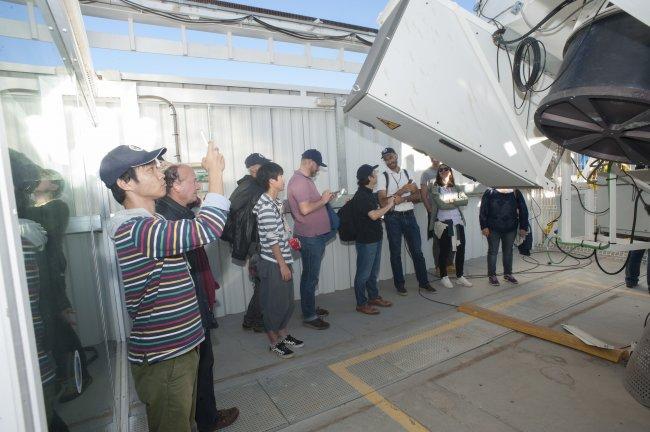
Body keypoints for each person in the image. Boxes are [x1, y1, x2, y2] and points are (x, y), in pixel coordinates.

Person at [100, 142, 229, 432]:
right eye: (149, 168)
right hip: (166, 357)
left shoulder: (153, 222)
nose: (160, 173)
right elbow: (207, 228)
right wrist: (215, 173)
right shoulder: (137, 230)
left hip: (180, 348)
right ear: (124, 182)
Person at [156, 164, 239, 431]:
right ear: (176, 186)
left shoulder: (182, 211)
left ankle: (205, 416)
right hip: (186, 307)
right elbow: (212, 231)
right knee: (197, 366)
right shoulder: (168, 218)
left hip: (194, 300)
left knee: (202, 363)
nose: (198, 185)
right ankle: (206, 420)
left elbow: (224, 231)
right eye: (193, 180)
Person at [10, 149, 69, 431]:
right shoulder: (22, 225)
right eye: (26, 187)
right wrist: (11, 227)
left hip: (40, 325)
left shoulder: (52, 211)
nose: (29, 192)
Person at [27, 168, 93, 403]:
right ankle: (63, 376)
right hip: (39, 271)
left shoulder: (58, 207)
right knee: (53, 326)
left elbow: (40, 222)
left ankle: (80, 376)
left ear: (54, 185)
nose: (35, 178)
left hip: (51, 271)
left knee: (62, 323)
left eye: (41, 175)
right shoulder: (35, 208)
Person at [254, 162, 304, 358]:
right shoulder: (266, 206)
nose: (283, 179)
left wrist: (290, 240)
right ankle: (274, 341)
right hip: (274, 262)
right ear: (271, 181)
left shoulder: (275, 202)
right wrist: (283, 264)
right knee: (273, 304)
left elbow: (279, 232)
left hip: (282, 258)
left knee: (286, 302)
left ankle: (283, 333)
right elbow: (271, 239)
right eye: (280, 176)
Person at [221, 153, 270, 333]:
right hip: (255, 242)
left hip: (257, 240)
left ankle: (250, 319)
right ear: (255, 169)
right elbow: (231, 209)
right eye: (263, 167)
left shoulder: (258, 185)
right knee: (263, 282)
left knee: (262, 282)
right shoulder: (249, 185)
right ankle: (256, 320)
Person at [287, 149, 335, 330]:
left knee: (311, 277)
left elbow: (309, 205)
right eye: (317, 166)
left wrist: (324, 199)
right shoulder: (299, 182)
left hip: (314, 236)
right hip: (310, 237)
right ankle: (309, 316)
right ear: (310, 162)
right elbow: (305, 209)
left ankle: (309, 307)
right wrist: (323, 200)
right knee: (310, 277)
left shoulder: (304, 181)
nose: (317, 170)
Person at [377, 147, 434, 295]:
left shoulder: (407, 173)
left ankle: (424, 283)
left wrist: (404, 198)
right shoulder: (383, 177)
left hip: (409, 215)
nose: (389, 161)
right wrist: (402, 191)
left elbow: (419, 197)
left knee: (417, 251)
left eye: (391, 157)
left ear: (396, 156)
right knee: (395, 253)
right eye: (386, 159)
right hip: (393, 218)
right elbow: (383, 203)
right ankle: (400, 285)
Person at [351, 164, 395, 314]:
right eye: (374, 173)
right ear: (369, 178)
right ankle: (361, 303)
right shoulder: (362, 196)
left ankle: (373, 296)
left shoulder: (369, 193)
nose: (376, 175)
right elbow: (374, 215)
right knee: (363, 273)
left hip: (375, 238)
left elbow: (374, 214)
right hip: (366, 241)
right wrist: (390, 205)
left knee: (373, 272)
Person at [430, 164, 472, 289]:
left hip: (458, 222)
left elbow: (464, 201)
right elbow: (441, 205)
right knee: (445, 251)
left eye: (446, 169)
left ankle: (460, 276)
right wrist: (455, 200)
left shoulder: (456, 186)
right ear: (438, 173)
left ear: (450, 171)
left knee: (461, 250)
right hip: (444, 224)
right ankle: (444, 276)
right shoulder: (435, 187)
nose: (443, 171)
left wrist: (448, 199)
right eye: (440, 170)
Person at [479, 188, 529, 286]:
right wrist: (484, 226)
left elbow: (523, 209)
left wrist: (523, 227)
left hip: (510, 228)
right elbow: (483, 210)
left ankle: (508, 274)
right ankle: (492, 276)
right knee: (493, 251)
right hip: (493, 228)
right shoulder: (489, 191)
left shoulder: (515, 192)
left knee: (508, 252)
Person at [420, 156, 453, 275]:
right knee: (438, 240)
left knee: (450, 238)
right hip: (436, 213)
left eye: (437, 156)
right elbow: (423, 195)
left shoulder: (447, 169)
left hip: (449, 212)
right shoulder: (426, 174)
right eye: (432, 156)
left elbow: (452, 188)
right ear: (429, 157)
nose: (435, 159)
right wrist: (430, 210)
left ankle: (450, 264)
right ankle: (439, 266)